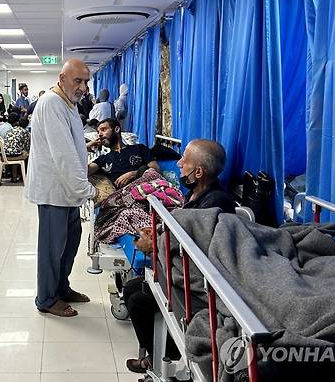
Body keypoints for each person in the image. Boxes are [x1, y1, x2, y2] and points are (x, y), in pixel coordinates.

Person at [123, 139, 236, 375]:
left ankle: (164, 357)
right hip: (182, 269)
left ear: (198, 172)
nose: (179, 163)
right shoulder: (195, 193)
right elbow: (180, 230)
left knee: (137, 301)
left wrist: (155, 245)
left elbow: (198, 252)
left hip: (201, 287)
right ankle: (156, 353)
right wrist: (158, 232)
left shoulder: (216, 204)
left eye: (184, 160)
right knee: (132, 288)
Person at [25, 58, 98, 318]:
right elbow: (64, 156)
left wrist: (87, 172)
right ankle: (46, 298)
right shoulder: (51, 104)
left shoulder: (69, 104)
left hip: (68, 191)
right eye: (78, 80)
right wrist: (90, 191)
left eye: (86, 81)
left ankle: (61, 288)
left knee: (69, 245)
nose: (83, 87)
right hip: (54, 191)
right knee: (52, 249)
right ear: (62, 77)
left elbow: (73, 147)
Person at [87, 118, 160, 188]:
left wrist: (134, 174)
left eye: (103, 130)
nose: (100, 134)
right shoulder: (102, 159)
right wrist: (86, 147)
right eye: (98, 132)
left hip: (147, 188)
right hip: (124, 196)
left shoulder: (139, 148)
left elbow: (155, 169)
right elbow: (83, 173)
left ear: (116, 129)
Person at [4, 117, 31, 182]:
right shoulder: (25, 132)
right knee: (27, 155)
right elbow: (27, 147)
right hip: (15, 155)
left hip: (5, 155)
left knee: (16, 152)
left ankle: (14, 177)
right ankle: (23, 176)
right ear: (26, 125)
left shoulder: (11, 129)